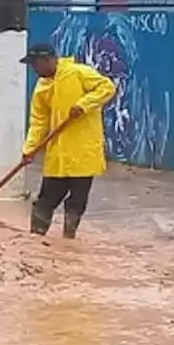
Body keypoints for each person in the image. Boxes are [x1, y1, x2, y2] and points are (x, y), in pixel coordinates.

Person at [20, 43, 117, 239]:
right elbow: (39, 122)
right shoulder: (42, 87)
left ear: (48, 60)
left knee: (77, 200)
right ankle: (35, 239)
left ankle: (68, 239)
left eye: (35, 64)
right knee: (46, 199)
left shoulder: (79, 72)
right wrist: (29, 149)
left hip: (83, 150)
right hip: (58, 153)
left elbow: (107, 87)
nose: (34, 69)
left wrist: (83, 105)